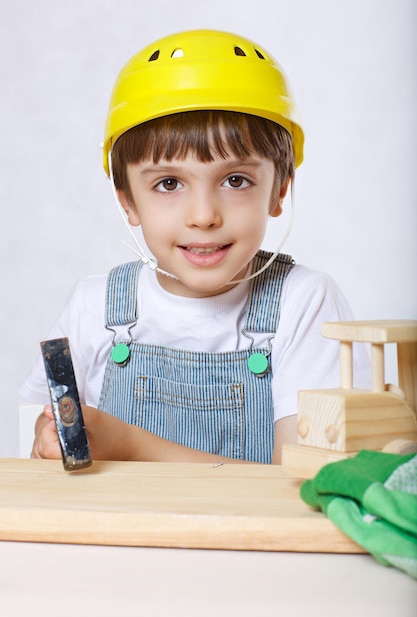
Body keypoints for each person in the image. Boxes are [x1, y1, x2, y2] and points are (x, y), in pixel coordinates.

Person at [21, 29, 369, 464]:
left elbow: (297, 487)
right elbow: (35, 449)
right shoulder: (92, 309)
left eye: (235, 180)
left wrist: (131, 445)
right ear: (128, 199)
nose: (203, 215)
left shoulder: (303, 304)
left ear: (280, 190)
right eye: (168, 183)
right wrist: (47, 438)